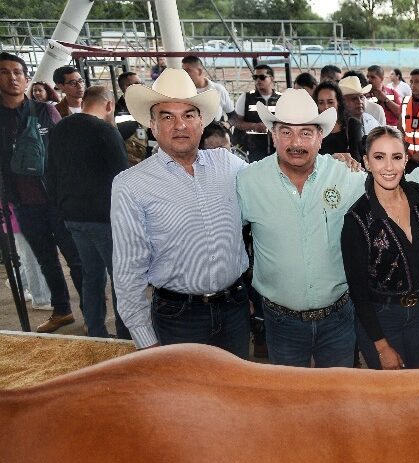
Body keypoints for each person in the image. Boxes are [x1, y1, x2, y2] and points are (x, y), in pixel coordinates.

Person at [112, 68, 249, 354]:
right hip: (178, 317)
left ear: (201, 122)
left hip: (235, 309)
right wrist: (147, 343)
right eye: (167, 116)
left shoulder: (229, 164)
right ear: (152, 124)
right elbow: (128, 272)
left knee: (234, 396)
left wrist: (334, 164)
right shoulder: (131, 185)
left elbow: (274, 186)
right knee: (185, 399)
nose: (180, 125)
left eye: (188, 115)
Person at [235, 88, 365, 367]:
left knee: (339, 400)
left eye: (306, 133)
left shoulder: (346, 175)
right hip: (281, 322)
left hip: (339, 318)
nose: (296, 142)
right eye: (286, 132)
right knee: (290, 404)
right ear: (273, 135)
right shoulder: (247, 182)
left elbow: (391, 191)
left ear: (321, 137)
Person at [341, 126, 419, 369]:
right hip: (382, 318)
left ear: (406, 159)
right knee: (389, 397)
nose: (389, 167)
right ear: (366, 162)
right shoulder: (357, 219)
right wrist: (381, 345)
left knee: (417, 387)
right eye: (379, 157)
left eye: (396, 157)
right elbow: (358, 293)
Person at [0, 52, 82, 333]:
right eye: (4, 72)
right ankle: (62, 311)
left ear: (26, 77)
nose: (12, 77)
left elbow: (67, 153)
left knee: (76, 259)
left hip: (57, 200)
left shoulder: (45, 110)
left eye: (17, 72)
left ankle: (91, 312)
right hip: (22, 203)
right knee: (46, 260)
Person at [45, 85, 130, 339]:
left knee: (91, 277)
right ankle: (126, 335)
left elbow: (50, 172)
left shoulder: (60, 128)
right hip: (105, 218)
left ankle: (96, 331)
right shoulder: (106, 131)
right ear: (109, 105)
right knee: (121, 278)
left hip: (72, 215)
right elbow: (122, 177)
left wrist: (61, 207)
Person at [231, 64, 280, 162]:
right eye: (255, 77)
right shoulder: (246, 98)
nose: (258, 80)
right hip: (250, 152)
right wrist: (254, 126)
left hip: (276, 152)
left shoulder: (281, 99)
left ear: (272, 78)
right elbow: (236, 122)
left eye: (262, 77)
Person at [181, 55, 234, 122]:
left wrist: (227, 125)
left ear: (199, 71)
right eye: (183, 71)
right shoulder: (181, 92)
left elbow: (232, 115)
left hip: (213, 130)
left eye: (188, 71)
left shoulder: (218, 90)